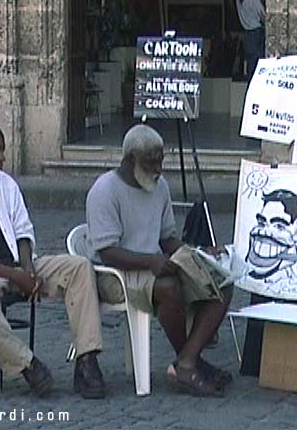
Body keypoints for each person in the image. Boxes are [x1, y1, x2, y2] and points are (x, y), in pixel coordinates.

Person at [0, 122, 106, 399]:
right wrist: (18, 278)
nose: (3, 157)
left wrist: (28, 270)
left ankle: (87, 360)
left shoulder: (6, 184)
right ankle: (28, 364)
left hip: (21, 266)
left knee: (79, 267)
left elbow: (23, 231)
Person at [86, 124, 233, 397]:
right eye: (151, 162)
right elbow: (107, 252)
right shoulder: (104, 191)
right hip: (114, 274)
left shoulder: (159, 186)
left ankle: (187, 361)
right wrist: (151, 262)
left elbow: (167, 238)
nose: (159, 168)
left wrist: (199, 253)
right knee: (169, 287)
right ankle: (190, 363)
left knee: (221, 283)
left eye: (161, 160)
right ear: (130, 160)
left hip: (151, 267)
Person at [236, 0, 266, 83]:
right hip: (256, 34)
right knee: (258, 69)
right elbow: (264, 16)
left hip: (247, 34)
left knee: (250, 69)